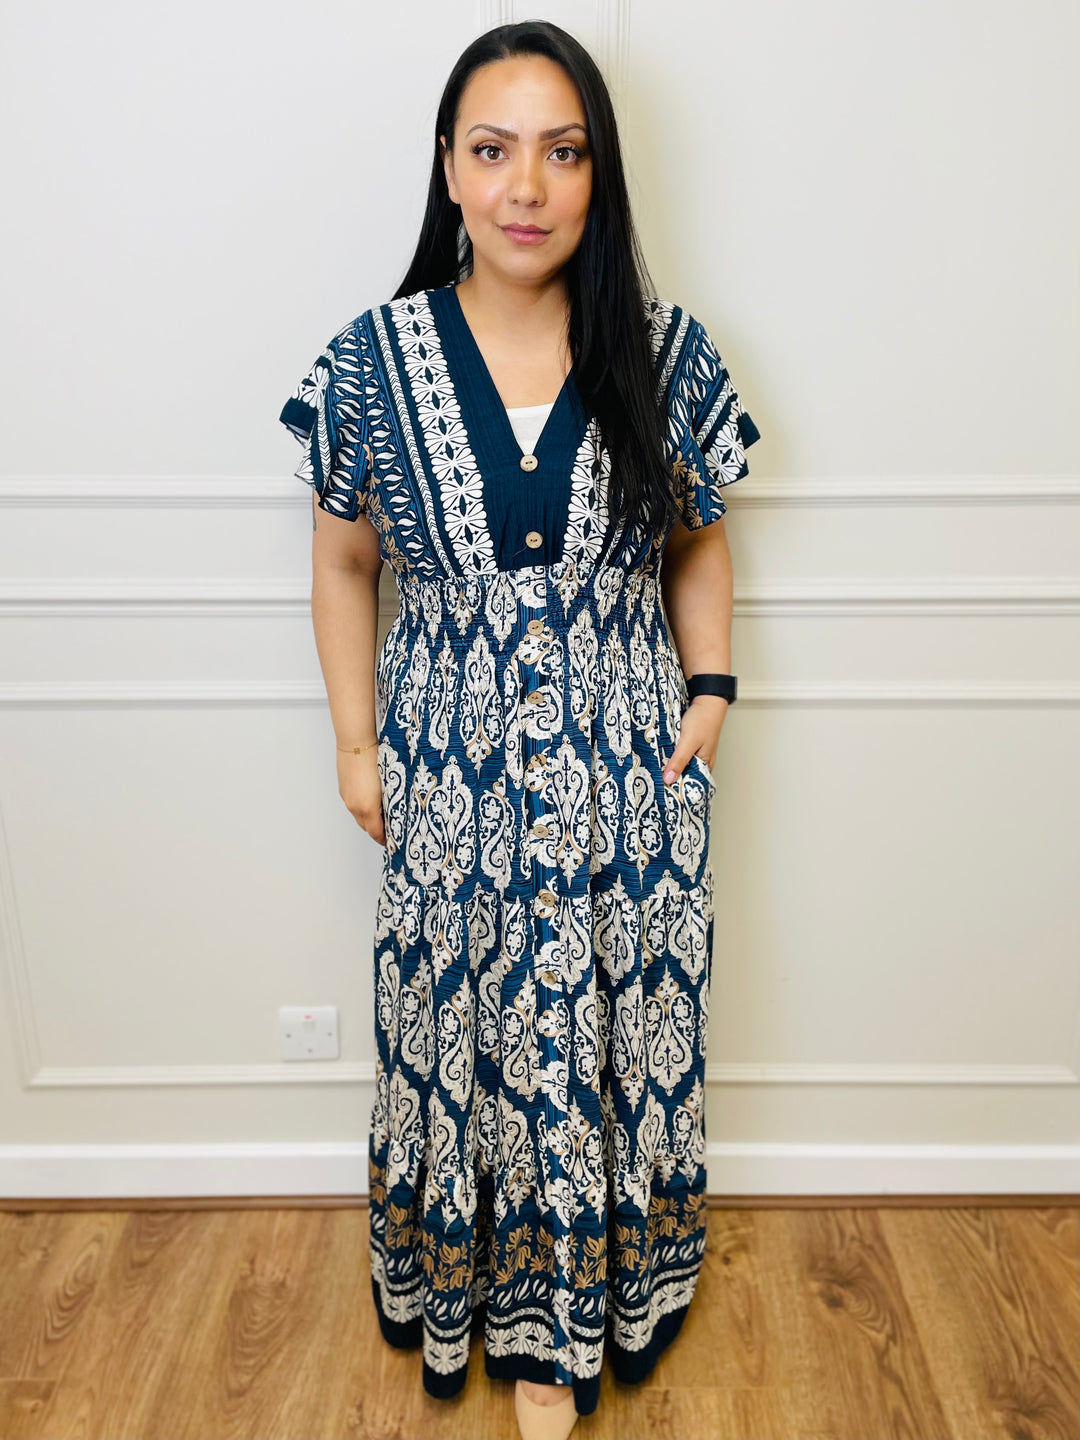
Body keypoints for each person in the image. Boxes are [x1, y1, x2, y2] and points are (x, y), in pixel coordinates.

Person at [278, 19, 761, 1440]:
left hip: (628, 780)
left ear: (600, 174)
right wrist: (358, 746)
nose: (527, 186)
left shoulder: (662, 351)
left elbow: (699, 537)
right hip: (449, 779)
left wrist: (710, 694)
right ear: (449, 167)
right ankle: (473, 1296)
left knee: (609, 1039)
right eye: (493, 151)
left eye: (564, 151)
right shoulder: (373, 363)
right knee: (462, 1031)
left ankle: (572, 1335)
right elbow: (343, 564)